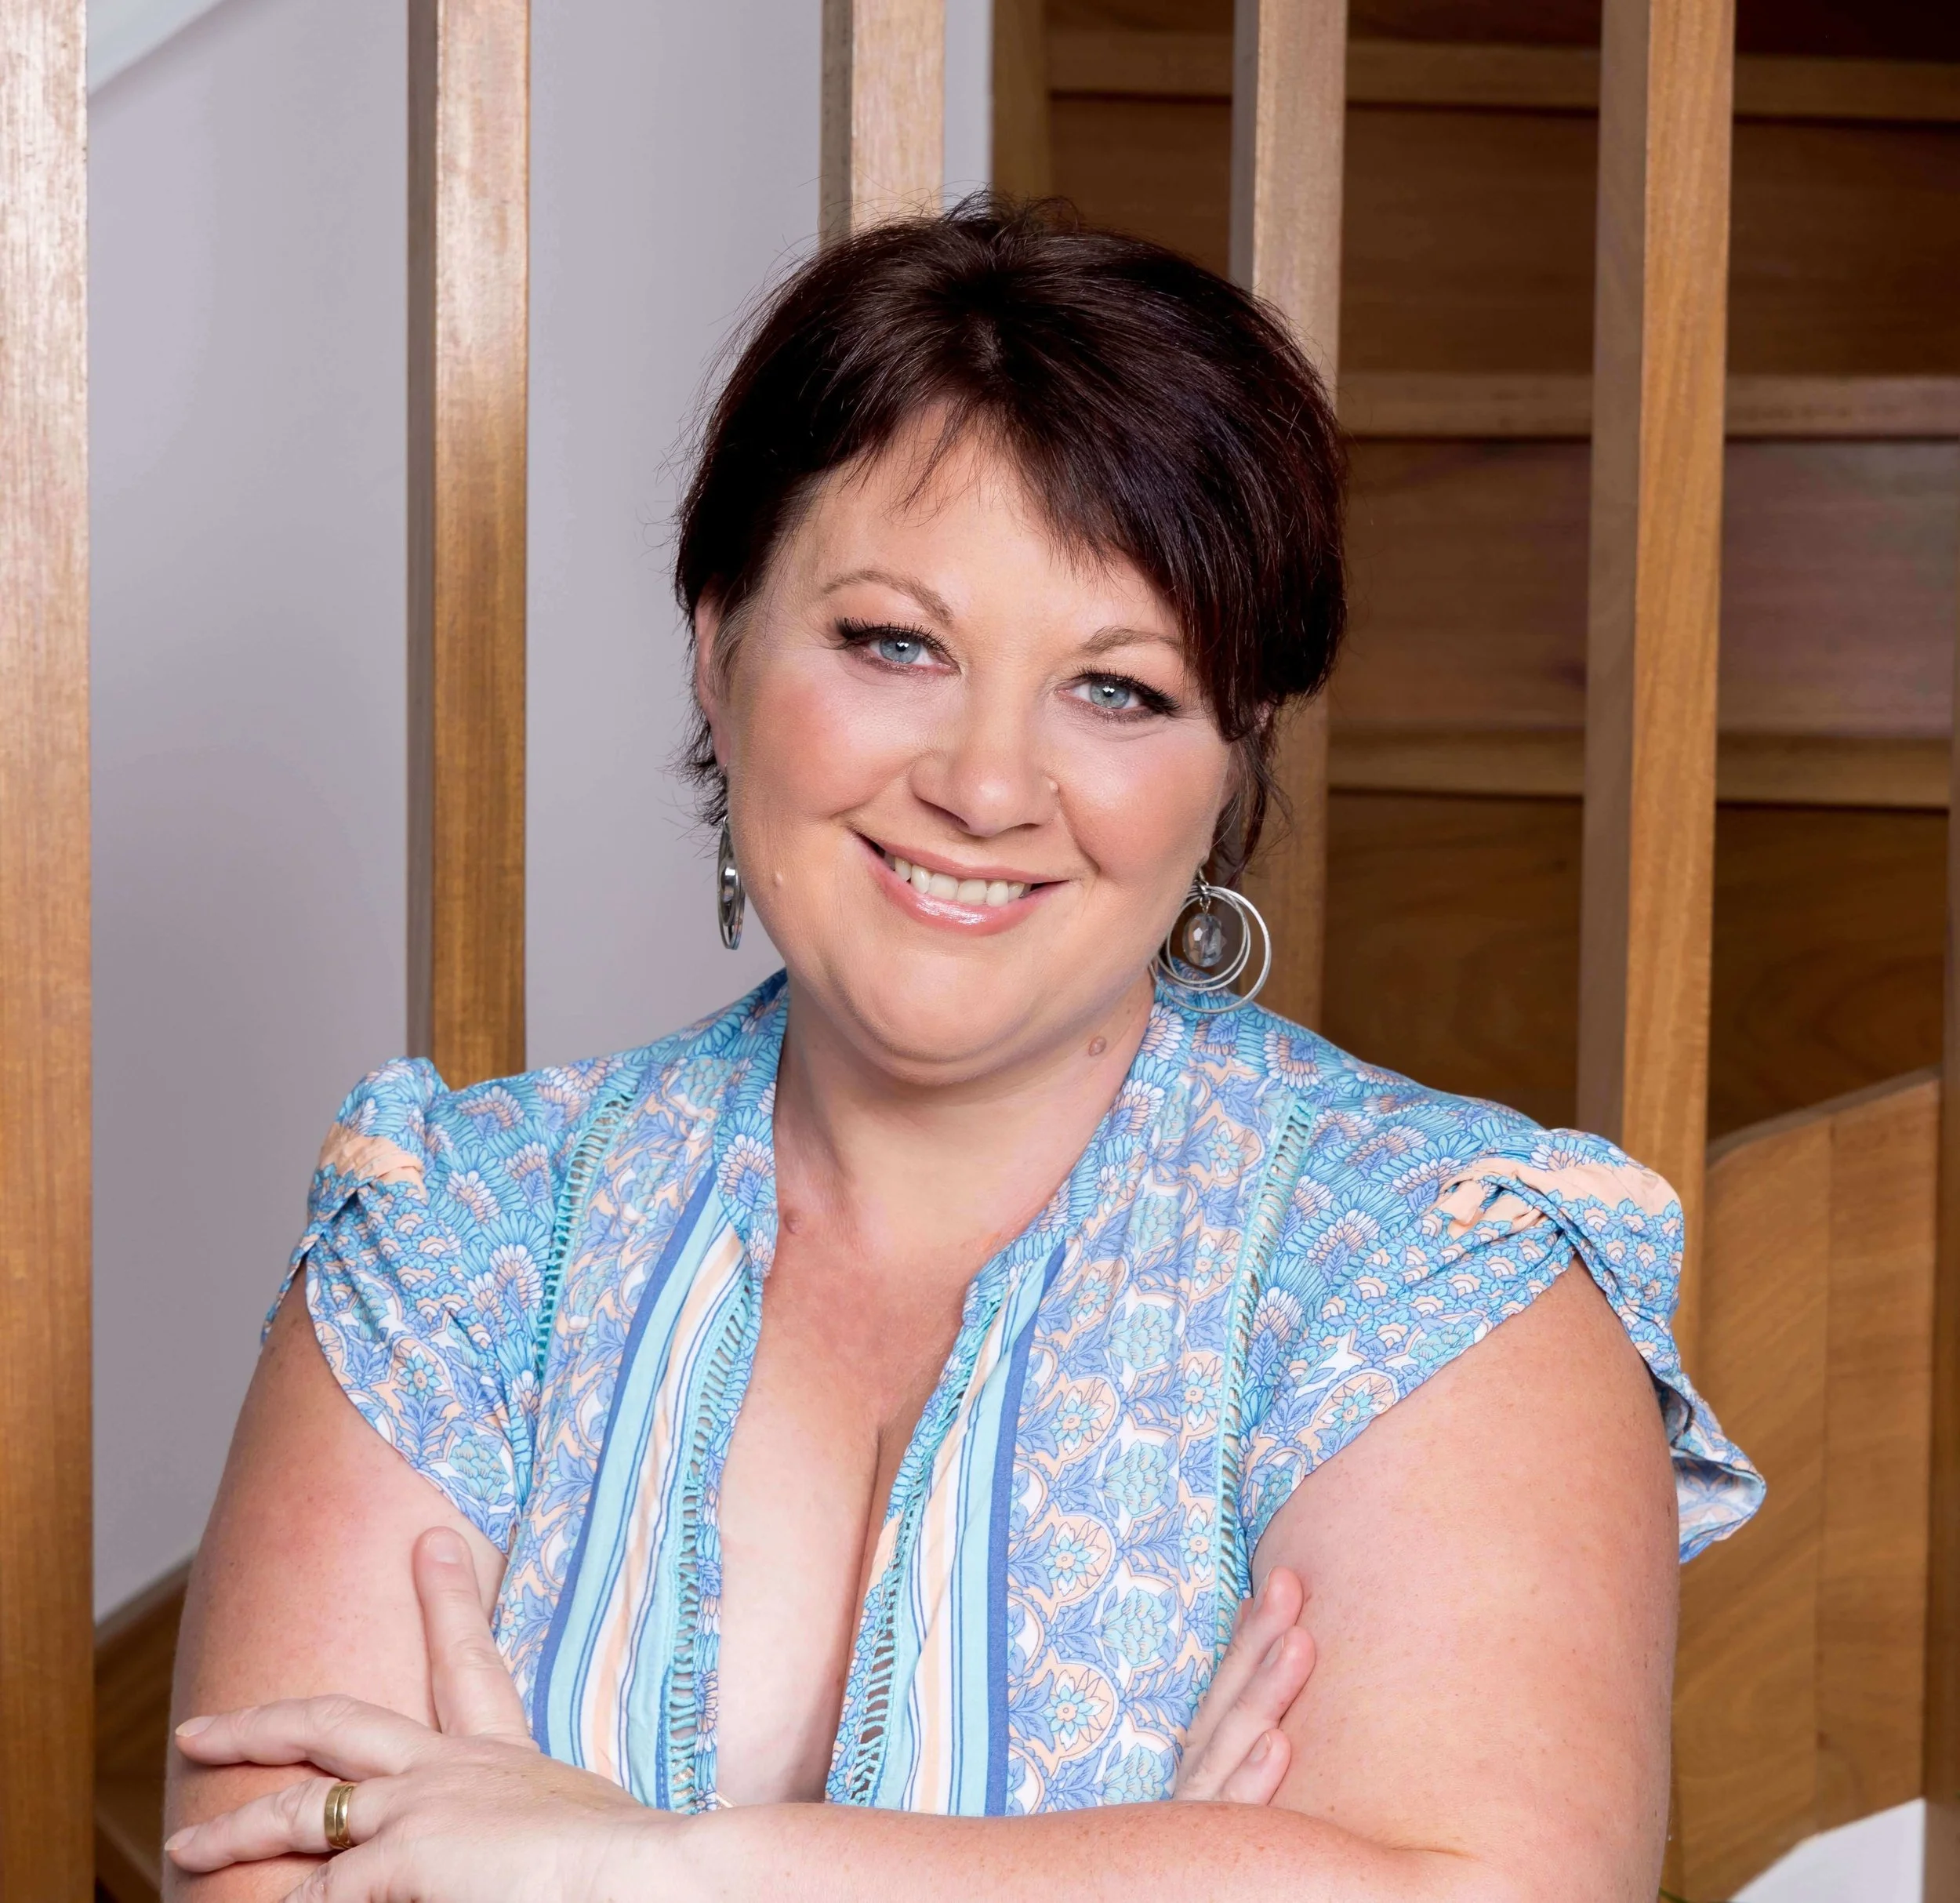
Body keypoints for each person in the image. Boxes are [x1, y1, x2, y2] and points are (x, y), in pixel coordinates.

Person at [162, 200, 1760, 1902]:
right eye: (892, 643)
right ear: (715, 647)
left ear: (1234, 754)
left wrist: (635, 1863)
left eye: (1117, 689)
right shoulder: (454, 1239)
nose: (987, 786)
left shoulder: (1428, 1274)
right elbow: (259, 1877)